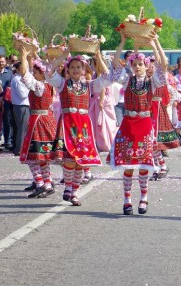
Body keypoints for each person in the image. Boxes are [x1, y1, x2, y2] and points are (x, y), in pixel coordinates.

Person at [47, 50, 113, 206]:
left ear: (84, 70)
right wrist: (63, 56)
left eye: (79, 67)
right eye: (73, 67)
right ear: (68, 70)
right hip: (68, 123)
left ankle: (75, 192)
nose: (76, 70)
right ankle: (68, 187)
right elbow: (49, 73)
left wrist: (99, 58)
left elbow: (108, 78)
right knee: (69, 159)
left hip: (83, 126)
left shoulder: (90, 85)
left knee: (81, 162)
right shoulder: (62, 83)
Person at [111, 32, 165, 215]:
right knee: (128, 165)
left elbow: (163, 64)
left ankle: (143, 198)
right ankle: (127, 201)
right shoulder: (127, 80)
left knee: (143, 164)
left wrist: (154, 43)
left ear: (146, 65)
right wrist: (123, 41)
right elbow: (115, 65)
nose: (137, 67)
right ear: (131, 66)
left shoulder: (152, 82)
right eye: (134, 64)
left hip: (144, 123)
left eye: (140, 64)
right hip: (128, 123)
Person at [16, 46, 58, 198]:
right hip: (42, 121)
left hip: (39, 122)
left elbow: (26, 77)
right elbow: (28, 76)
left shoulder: (40, 86)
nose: (33, 74)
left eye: (36, 72)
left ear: (42, 74)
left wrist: (23, 56)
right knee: (40, 157)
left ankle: (41, 183)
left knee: (33, 156)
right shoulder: (45, 85)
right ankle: (46, 183)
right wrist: (29, 57)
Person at [10, 62, 31, 157]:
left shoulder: (21, 79)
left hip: (23, 106)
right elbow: (23, 95)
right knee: (22, 128)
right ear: (18, 69)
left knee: (24, 128)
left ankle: (23, 148)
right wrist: (29, 88)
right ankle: (19, 149)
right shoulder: (17, 79)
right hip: (21, 106)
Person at [0, 54, 14, 151]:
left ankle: (7, 141)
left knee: (7, 121)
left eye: (2, 61)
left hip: (6, 101)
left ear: (5, 62)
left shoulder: (10, 73)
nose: (1, 63)